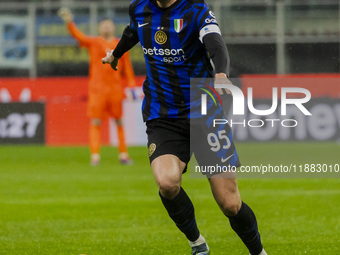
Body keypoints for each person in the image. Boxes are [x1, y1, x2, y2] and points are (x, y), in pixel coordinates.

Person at [103, 0, 267, 254]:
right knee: (167, 183)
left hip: (205, 114)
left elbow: (215, 42)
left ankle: (258, 252)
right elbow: (133, 30)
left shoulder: (196, 10)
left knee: (230, 204)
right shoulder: (139, 8)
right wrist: (116, 53)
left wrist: (221, 72)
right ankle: (197, 243)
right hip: (164, 115)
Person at [58, 8, 136, 165]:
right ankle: (95, 156)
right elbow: (78, 36)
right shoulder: (94, 42)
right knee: (96, 121)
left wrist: (132, 86)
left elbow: (127, 68)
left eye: (109, 25)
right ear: (100, 28)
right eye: (104, 25)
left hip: (115, 89)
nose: (106, 28)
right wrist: (69, 22)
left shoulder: (119, 45)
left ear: (113, 27)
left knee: (119, 121)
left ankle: (123, 155)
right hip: (97, 90)